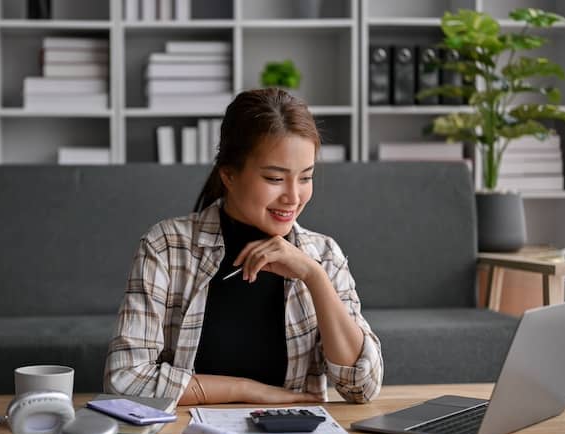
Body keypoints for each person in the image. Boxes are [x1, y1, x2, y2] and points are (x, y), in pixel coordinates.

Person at [104, 88, 383, 405]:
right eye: (275, 179)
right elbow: (125, 380)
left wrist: (314, 276)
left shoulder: (323, 256)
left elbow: (362, 387)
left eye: (305, 178)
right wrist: (249, 391)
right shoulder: (167, 247)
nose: (293, 197)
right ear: (229, 174)